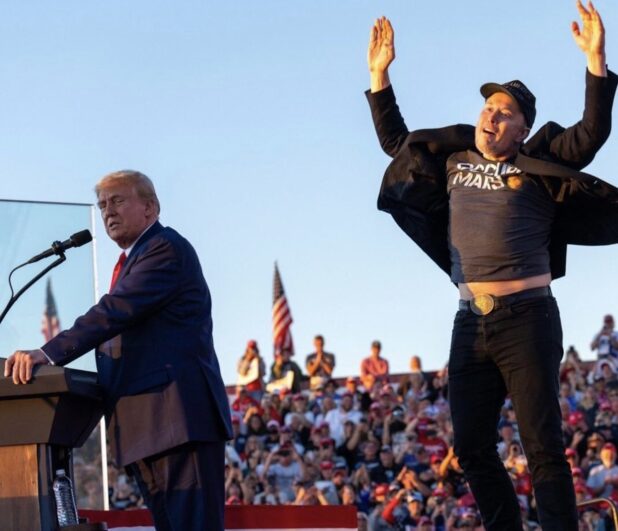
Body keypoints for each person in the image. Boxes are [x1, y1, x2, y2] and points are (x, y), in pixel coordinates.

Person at [366, 2, 618, 530]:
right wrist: (380, 76)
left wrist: (595, 62)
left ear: (522, 129)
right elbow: (398, 144)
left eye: (504, 112)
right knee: (471, 447)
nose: (491, 116)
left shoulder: (539, 160)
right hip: (470, 321)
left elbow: (590, 134)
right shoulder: (455, 158)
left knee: (542, 445)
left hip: (528, 316)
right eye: (488, 107)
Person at [4, 170, 232, 531]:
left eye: (118, 201)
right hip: (149, 425)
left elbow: (115, 311)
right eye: (102, 205)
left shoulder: (165, 249)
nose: (108, 211)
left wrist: (47, 354)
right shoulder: (134, 260)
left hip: (177, 420)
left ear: (150, 207)